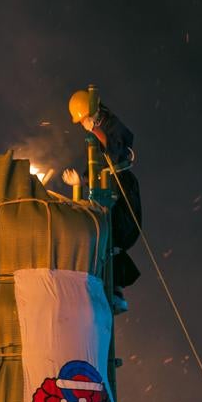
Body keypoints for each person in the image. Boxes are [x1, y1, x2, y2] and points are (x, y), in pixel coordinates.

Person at [62, 90, 141, 312]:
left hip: (122, 189)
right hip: (110, 187)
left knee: (112, 233)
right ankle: (107, 288)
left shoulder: (112, 128)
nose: (83, 124)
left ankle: (114, 290)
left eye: (84, 119)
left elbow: (115, 154)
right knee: (101, 235)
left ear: (93, 113)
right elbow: (97, 165)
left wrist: (96, 131)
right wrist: (83, 180)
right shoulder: (98, 134)